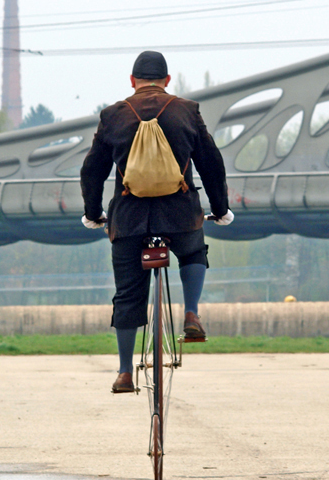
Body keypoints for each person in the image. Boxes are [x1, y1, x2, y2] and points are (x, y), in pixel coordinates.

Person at [80, 50, 234, 393]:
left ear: (132, 82)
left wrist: (93, 214)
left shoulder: (113, 115)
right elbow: (211, 163)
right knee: (194, 252)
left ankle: (123, 372)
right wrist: (220, 209)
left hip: (129, 218)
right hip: (180, 214)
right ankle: (192, 313)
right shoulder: (186, 110)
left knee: (128, 293)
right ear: (167, 81)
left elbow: (92, 170)